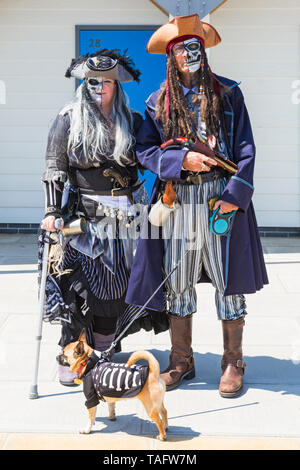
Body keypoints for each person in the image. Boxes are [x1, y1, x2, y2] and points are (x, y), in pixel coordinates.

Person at [124, 14, 268, 397]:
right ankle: (181, 360)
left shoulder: (229, 94)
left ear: (203, 53)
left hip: (221, 196)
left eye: (195, 48)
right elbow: (145, 150)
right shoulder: (158, 102)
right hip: (179, 200)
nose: (189, 55)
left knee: (228, 281)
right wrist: (180, 161)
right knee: (178, 278)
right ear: (170, 59)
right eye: (181, 50)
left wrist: (234, 197)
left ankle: (232, 361)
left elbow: (247, 150)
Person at [40, 49, 149, 386]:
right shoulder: (68, 118)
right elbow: (55, 166)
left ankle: (103, 351)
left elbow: (153, 157)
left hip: (128, 215)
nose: (99, 87)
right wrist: (51, 210)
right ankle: (70, 351)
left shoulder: (133, 120)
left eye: (106, 81)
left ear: (117, 85)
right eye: (91, 81)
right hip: (80, 215)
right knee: (75, 286)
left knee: (114, 290)